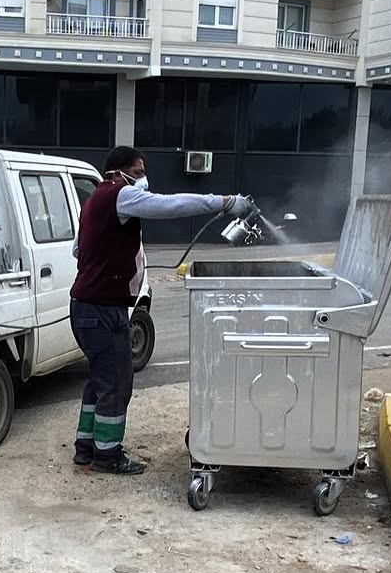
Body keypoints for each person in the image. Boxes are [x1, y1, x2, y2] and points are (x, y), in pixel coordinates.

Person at [70, 146, 256, 475]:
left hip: (88, 306)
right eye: (139, 172)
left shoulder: (94, 202)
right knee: (117, 381)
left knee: (100, 379)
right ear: (118, 172)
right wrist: (224, 202)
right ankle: (107, 454)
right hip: (101, 309)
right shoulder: (119, 194)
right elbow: (170, 205)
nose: (143, 180)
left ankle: (86, 447)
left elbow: (77, 249)